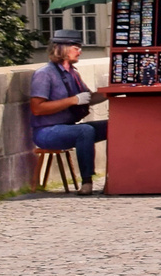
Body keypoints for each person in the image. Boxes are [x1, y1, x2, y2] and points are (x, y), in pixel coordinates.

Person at [30, 29, 109, 194]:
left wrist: (110, 92)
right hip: (47, 132)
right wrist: (73, 100)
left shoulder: (73, 74)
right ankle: (87, 182)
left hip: (68, 127)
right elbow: (37, 108)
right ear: (62, 48)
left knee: (113, 126)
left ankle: (114, 175)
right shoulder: (45, 74)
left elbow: (87, 97)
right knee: (85, 130)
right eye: (75, 46)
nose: (79, 51)